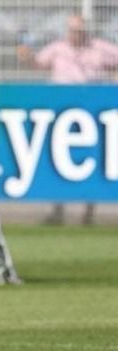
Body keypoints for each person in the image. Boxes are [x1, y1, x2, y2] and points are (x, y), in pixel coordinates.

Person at [18, 14, 118, 225]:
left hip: (91, 111)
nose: (75, 35)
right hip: (61, 111)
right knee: (58, 159)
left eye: (79, 31)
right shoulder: (58, 48)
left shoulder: (99, 47)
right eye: (72, 31)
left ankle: (88, 210)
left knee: (92, 159)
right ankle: (58, 209)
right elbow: (37, 63)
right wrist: (25, 55)